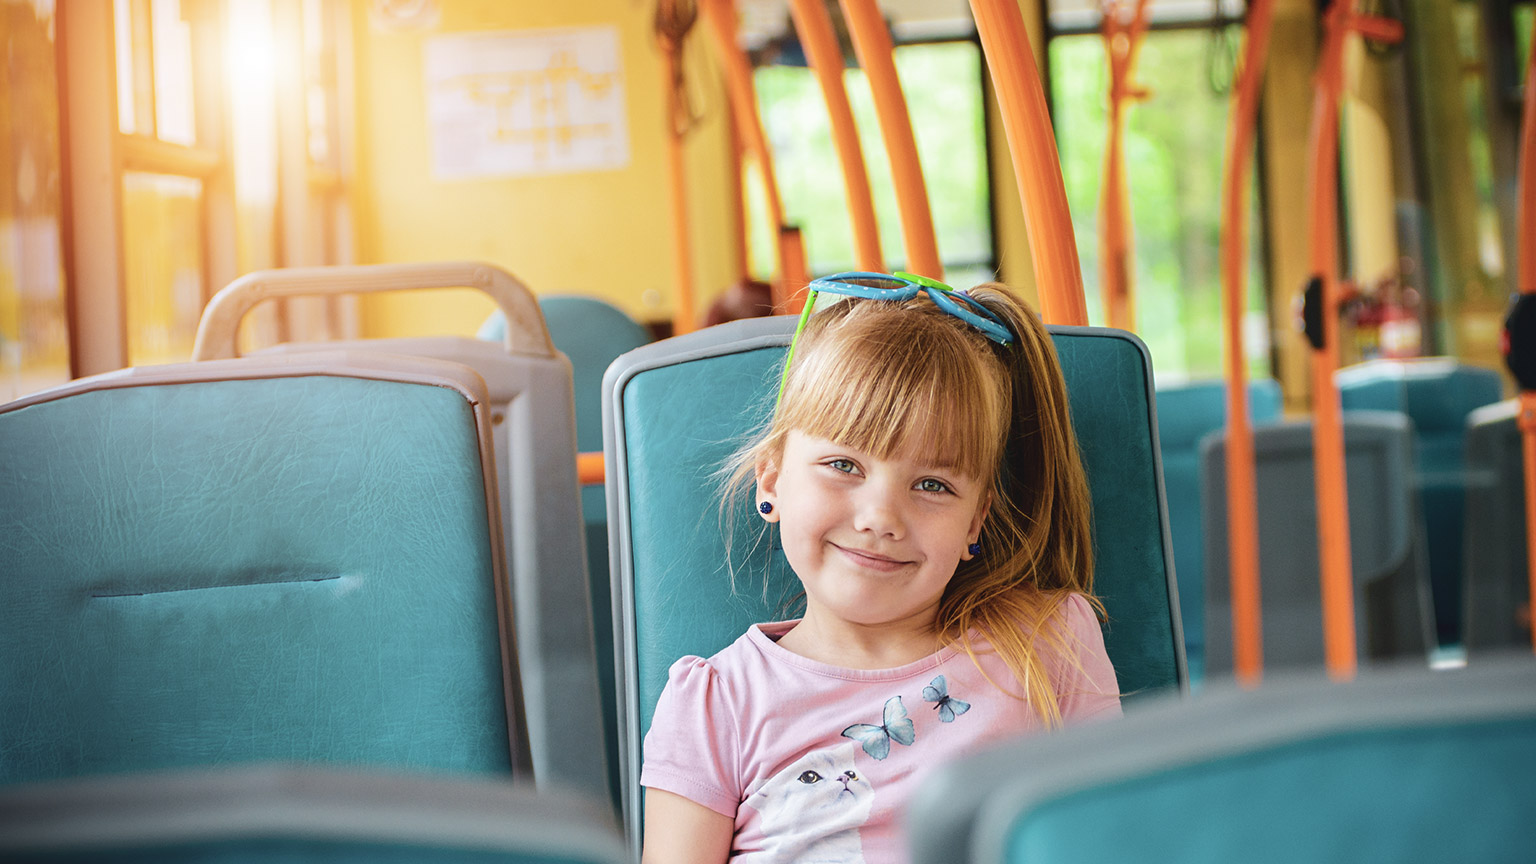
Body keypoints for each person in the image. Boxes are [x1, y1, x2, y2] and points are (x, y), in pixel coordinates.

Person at [640, 272, 1121, 864]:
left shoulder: (1049, 643)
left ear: (976, 522)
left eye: (932, 484)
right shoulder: (716, 703)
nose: (881, 517)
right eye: (843, 464)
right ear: (772, 479)